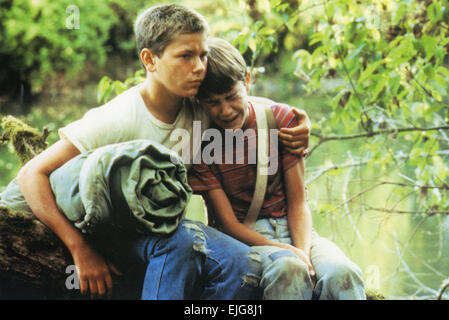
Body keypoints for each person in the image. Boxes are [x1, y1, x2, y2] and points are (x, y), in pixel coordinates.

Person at [15, 4, 311, 299]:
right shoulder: (121, 117)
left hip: (129, 224)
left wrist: (295, 118)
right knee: (182, 239)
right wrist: (79, 248)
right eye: (185, 56)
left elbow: (234, 100)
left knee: (243, 262)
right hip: (54, 220)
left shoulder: (198, 109)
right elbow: (31, 175)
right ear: (150, 59)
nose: (199, 67)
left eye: (202, 55)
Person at [188, 38, 366, 300]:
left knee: (343, 272)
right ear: (199, 100)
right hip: (244, 240)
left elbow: (298, 203)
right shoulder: (199, 141)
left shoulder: (280, 121)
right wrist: (285, 252)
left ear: (247, 80)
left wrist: (303, 252)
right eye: (213, 102)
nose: (225, 110)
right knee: (288, 269)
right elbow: (227, 223)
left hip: (297, 231)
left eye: (231, 97)